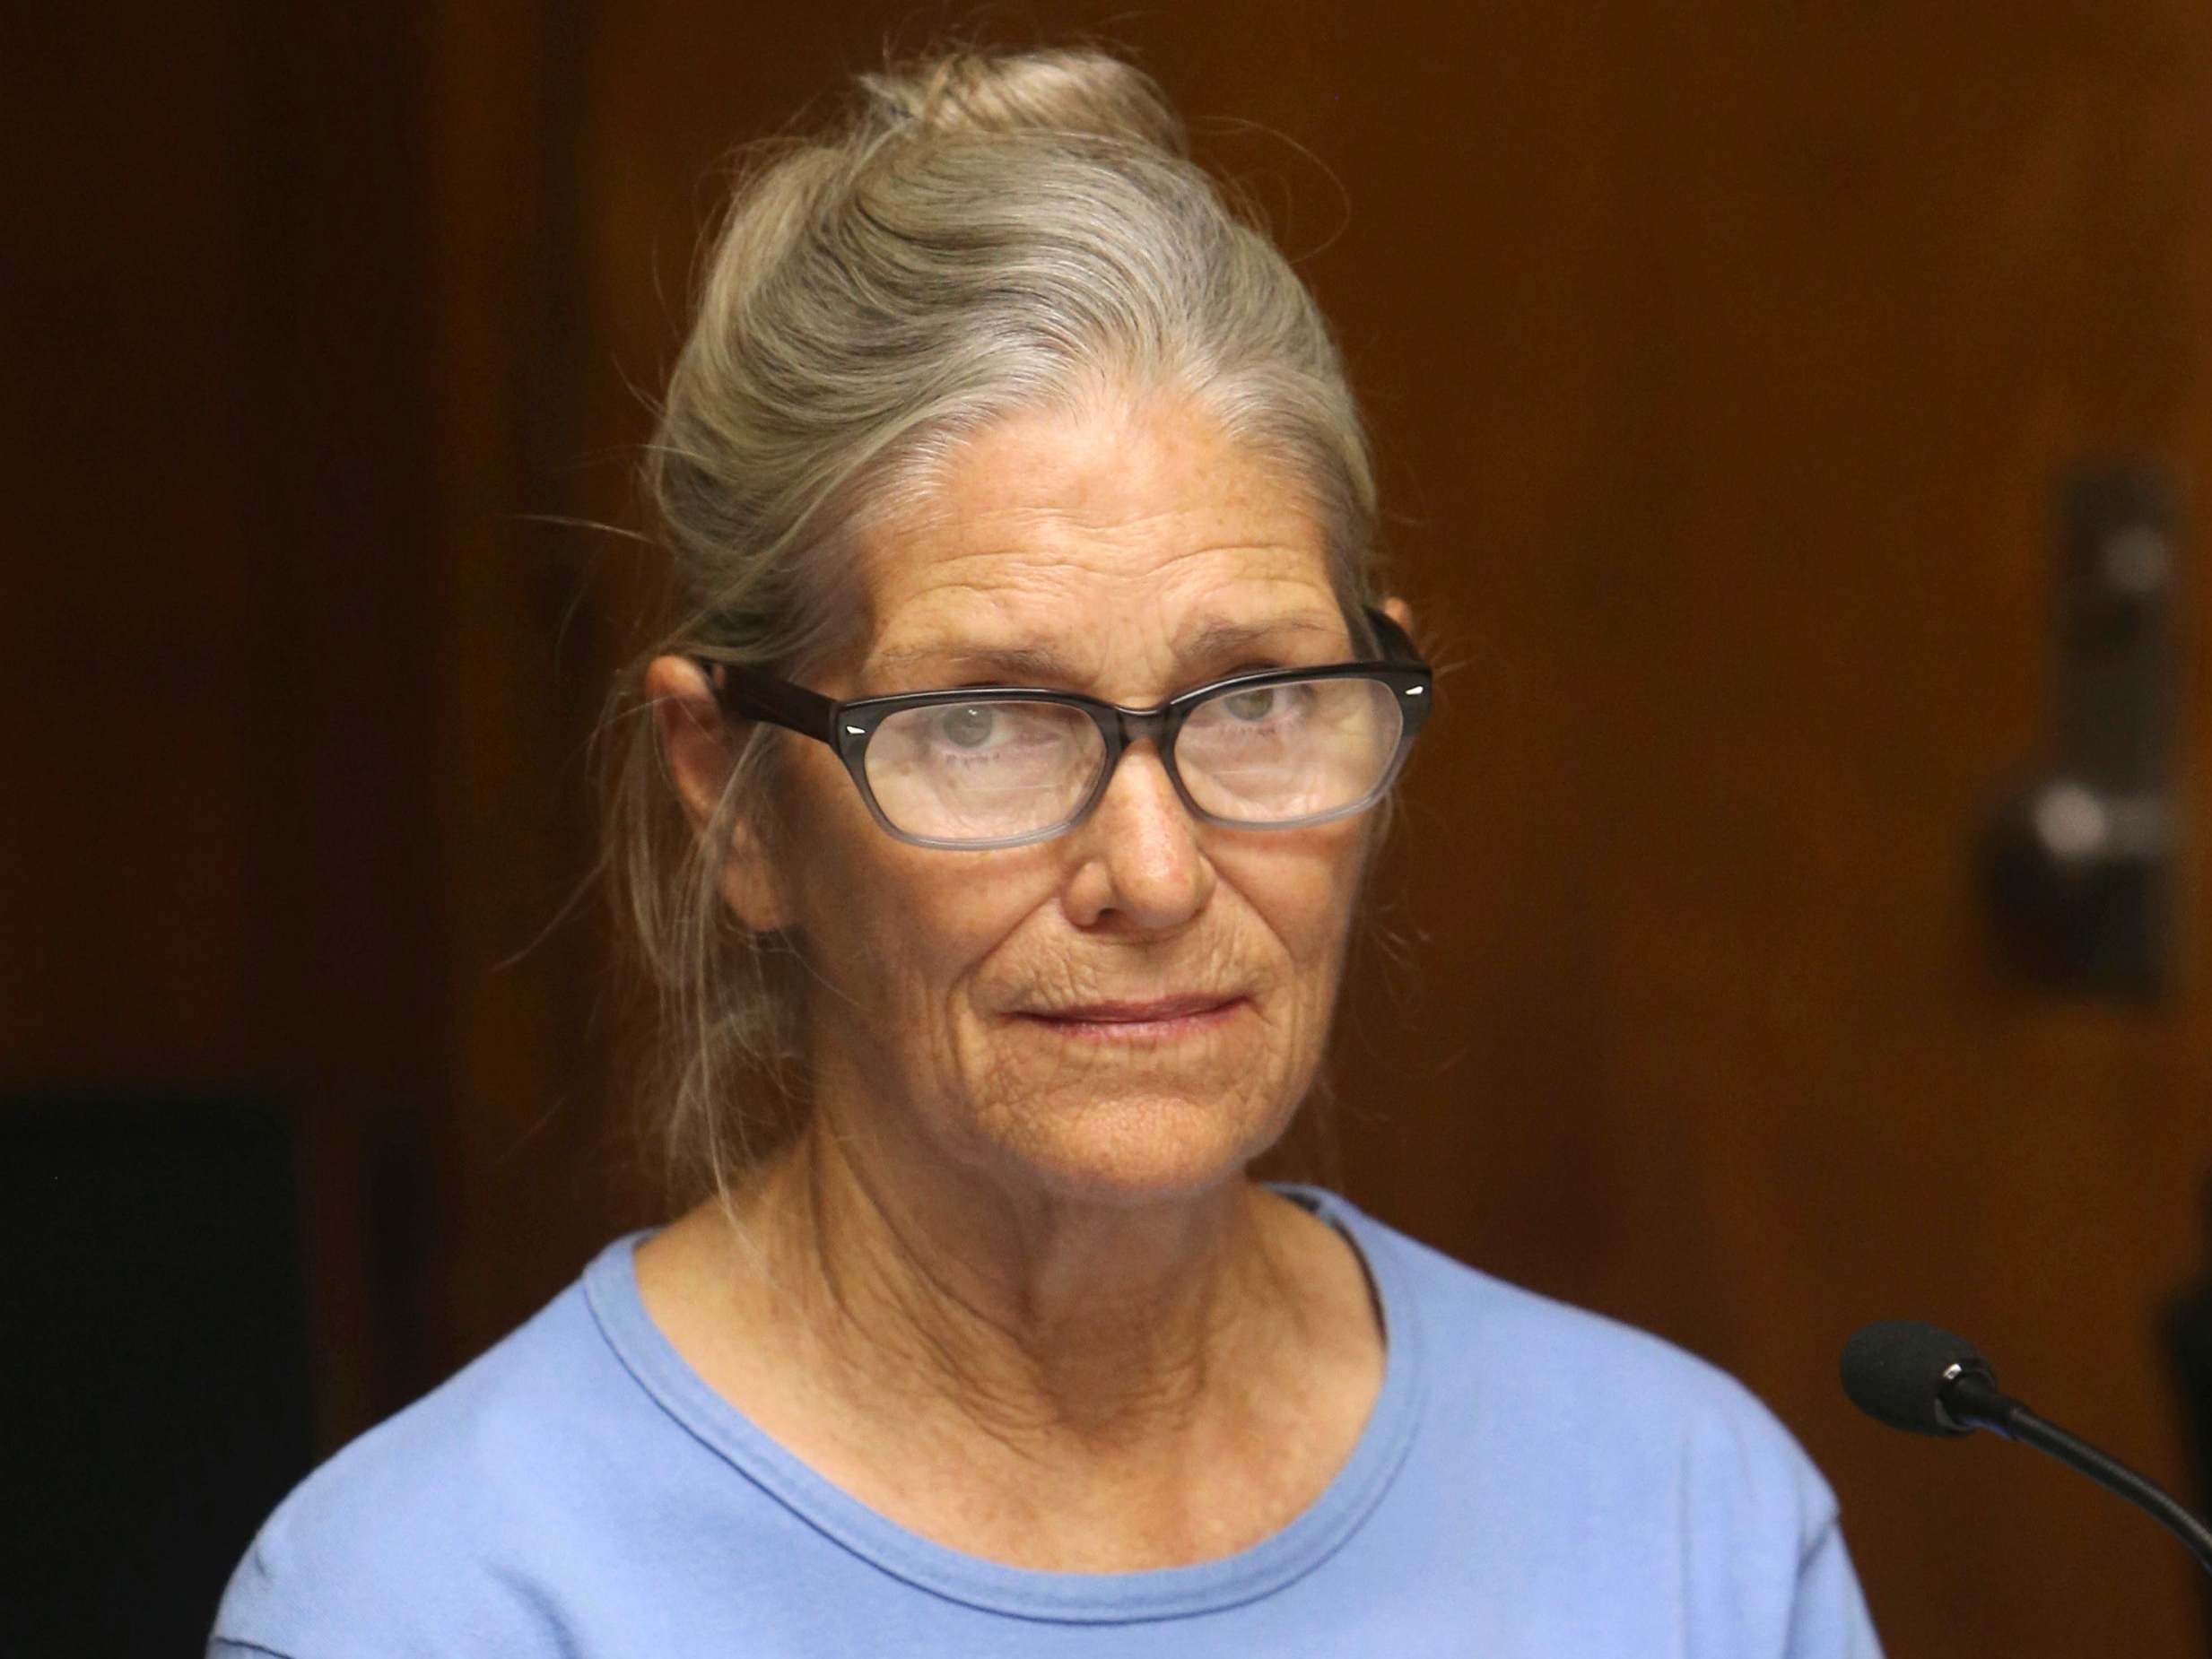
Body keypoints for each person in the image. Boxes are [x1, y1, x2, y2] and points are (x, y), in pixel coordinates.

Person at [211, 46, 1883, 1656]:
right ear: (733, 796)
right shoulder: (445, 1600)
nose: (1151, 875)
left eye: (1253, 700)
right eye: (982, 724)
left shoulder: (1685, 1520)